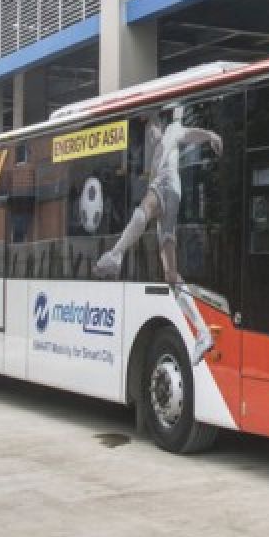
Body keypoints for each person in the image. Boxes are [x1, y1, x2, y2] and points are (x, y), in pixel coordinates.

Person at [93, 108, 222, 364]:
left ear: (159, 124)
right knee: (171, 274)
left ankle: (116, 255)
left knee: (142, 212)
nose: (150, 136)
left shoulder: (171, 132)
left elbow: (189, 134)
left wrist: (210, 135)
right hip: (171, 191)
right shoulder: (156, 152)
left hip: (166, 183)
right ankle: (203, 332)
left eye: (151, 129)